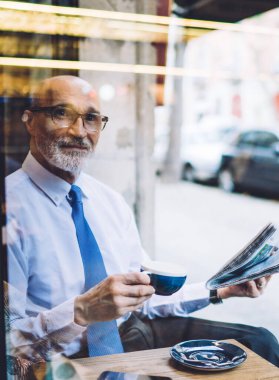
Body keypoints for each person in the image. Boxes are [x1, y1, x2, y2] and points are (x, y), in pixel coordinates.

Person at [5, 75, 279, 367]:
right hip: (63, 362)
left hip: (130, 335)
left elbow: (145, 299)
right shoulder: (10, 208)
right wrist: (81, 311)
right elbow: (11, 344)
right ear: (29, 121)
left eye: (91, 118)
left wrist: (220, 290)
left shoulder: (109, 201)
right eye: (61, 113)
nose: (79, 131)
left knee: (260, 343)